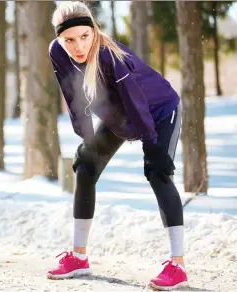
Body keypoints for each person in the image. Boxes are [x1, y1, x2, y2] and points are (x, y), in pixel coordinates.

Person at [47, 2, 188, 291]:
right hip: (120, 117)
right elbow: (73, 98)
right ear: (61, 40)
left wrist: (153, 147)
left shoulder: (109, 55)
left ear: (94, 31)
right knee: (85, 168)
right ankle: (79, 257)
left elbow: (135, 101)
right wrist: (87, 139)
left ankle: (178, 266)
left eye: (84, 36)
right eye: (69, 39)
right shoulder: (57, 52)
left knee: (157, 173)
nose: (78, 46)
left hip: (158, 110)